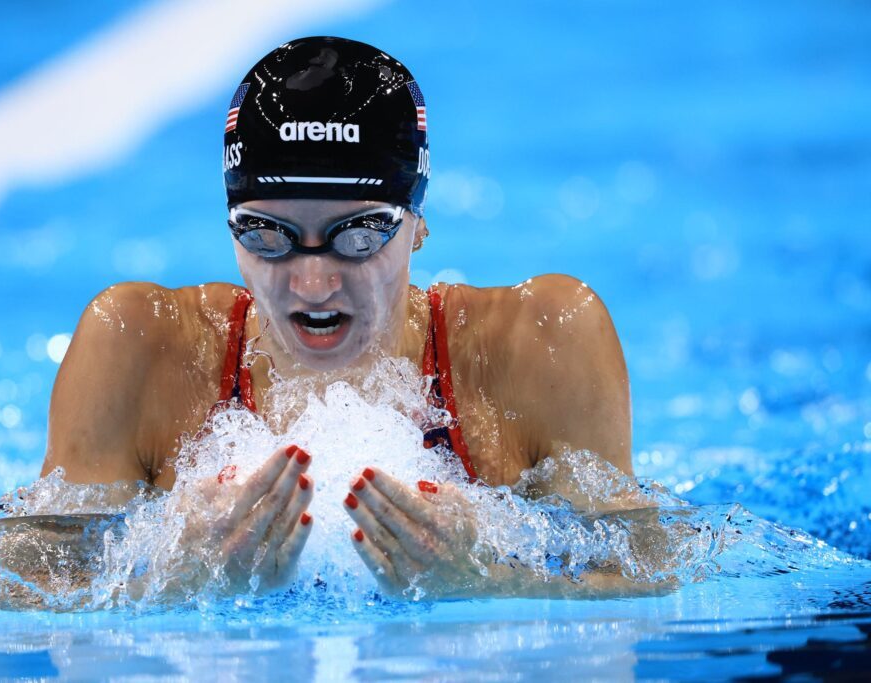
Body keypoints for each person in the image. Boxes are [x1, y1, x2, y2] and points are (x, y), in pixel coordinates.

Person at [39, 36, 633, 598]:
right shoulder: (135, 345)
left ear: (417, 223)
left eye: (358, 237)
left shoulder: (543, 341)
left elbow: (655, 574)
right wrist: (183, 581)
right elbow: (24, 587)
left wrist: (490, 580)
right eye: (268, 236)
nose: (313, 283)